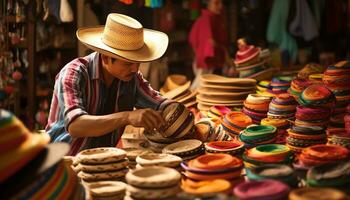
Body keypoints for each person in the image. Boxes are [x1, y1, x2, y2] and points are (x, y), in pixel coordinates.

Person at [46, 13, 172, 155]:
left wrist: (174, 111)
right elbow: (75, 125)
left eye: (138, 62)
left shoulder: (131, 78)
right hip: (62, 165)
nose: (135, 69)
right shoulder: (73, 73)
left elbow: (161, 104)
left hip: (103, 162)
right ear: (106, 58)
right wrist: (127, 117)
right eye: (128, 63)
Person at [189, 0, 233, 90]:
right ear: (208, 4)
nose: (220, 6)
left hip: (212, 61)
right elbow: (208, 43)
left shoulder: (216, 18)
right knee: (199, 89)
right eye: (216, 3)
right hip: (208, 61)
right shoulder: (206, 19)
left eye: (221, 3)